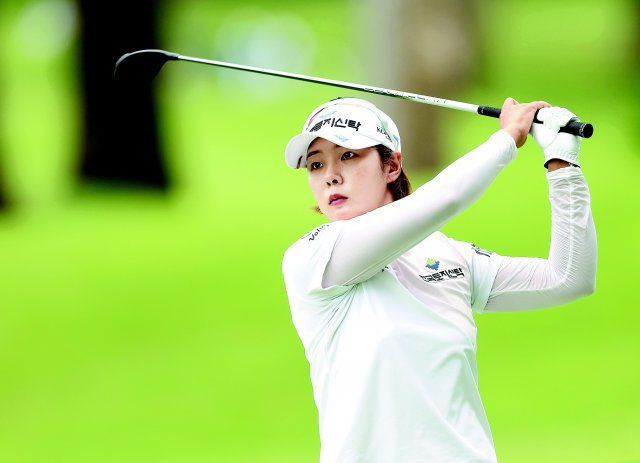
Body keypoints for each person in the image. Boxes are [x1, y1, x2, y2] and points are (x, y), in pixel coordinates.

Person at [280, 96, 597, 463]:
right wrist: (508, 137)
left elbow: (568, 277)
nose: (331, 175)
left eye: (348, 155)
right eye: (316, 164)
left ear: (391, 166)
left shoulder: (450, 256)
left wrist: (562, 164)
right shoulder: (313, 258)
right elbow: (442, 199)